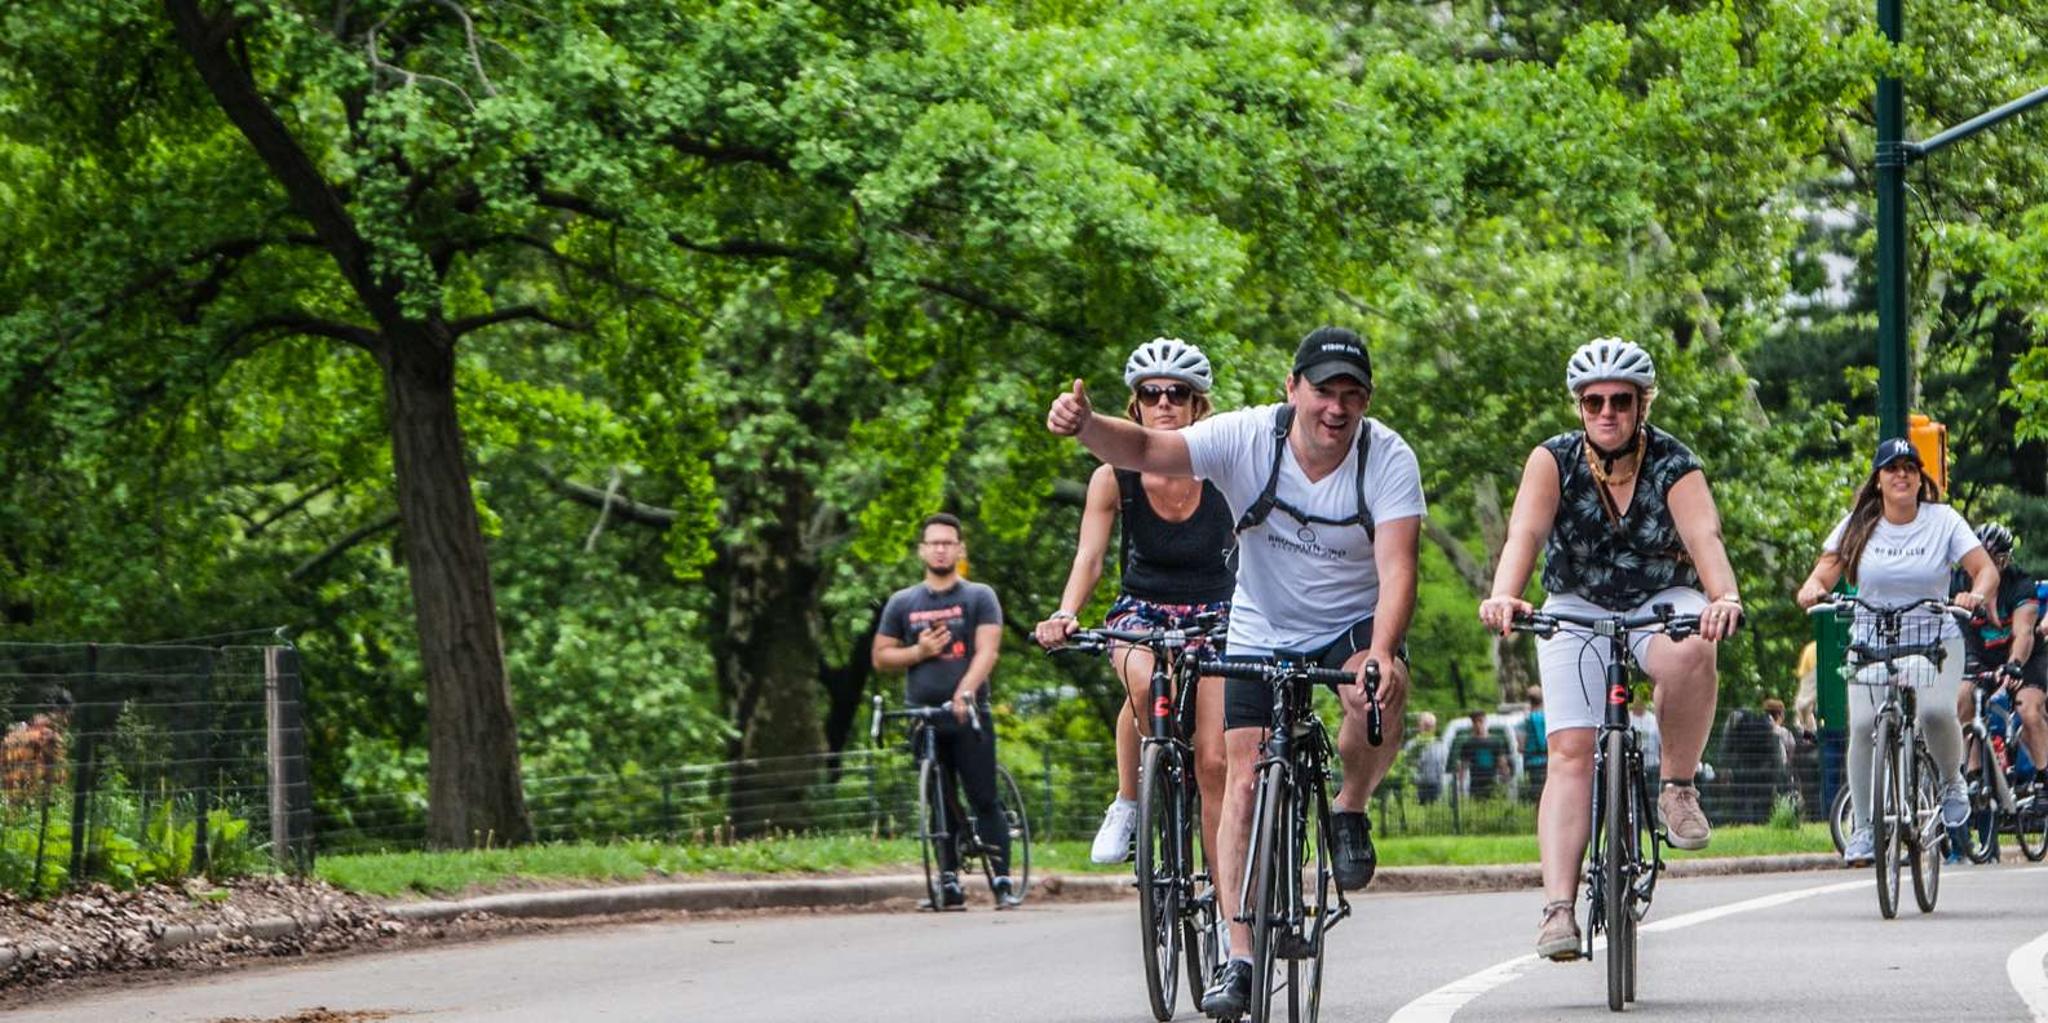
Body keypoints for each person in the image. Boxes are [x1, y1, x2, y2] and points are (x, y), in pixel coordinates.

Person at [1048, 325, 1425, 1017]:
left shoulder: (1387, 458)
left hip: (1350, 623)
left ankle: (1350, 807)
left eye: (1351, 395)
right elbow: (1143, 448)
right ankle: (1241, 955)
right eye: (1322, 392)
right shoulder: (1248, 437)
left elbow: (1399, 565)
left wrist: (1381, 650)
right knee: (1240, 773)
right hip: (1260, 623)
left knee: (1376, 703)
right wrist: (1085, 426)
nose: (1335, 409)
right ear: (1292, 389)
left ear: (1366, 401)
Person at [1476, 337, 1742, 960]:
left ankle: (1677, 785)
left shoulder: (1675, 463)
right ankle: (1558, 911)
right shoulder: (1554, 460)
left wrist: (1723, 596)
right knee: (1570, 750)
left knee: (1694, 648)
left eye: (1621, 401)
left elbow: (1705, 538)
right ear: (1579, 406)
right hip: (1577, 605)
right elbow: (1525, 533)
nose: (1607, 412)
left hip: (1661, 600)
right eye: (1594, 401)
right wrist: (1504, 595)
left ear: (1642, 403)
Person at [1034, 337, 1235, 867]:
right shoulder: (1112, 477)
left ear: (1197, 404)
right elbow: (1090, 558)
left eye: (1177, 392)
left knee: (1215, 762)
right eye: (1151, 394)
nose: (1164, 403)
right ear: (1136, 405)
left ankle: (1223, 904)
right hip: (1141, 611)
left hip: (1218, 615)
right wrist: (1065, 612)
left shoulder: (1226, 471)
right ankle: (1131, 798)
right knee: (1144, 683)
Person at [1795, 437, 1999, 867]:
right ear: (1879, 479)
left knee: (1935, 713)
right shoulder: (1859, 523)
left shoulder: (1942, 520)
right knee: (1865, 725)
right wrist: (1813, 589)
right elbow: (1825, 571)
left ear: (1921, 477)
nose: (1901, 474)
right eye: (1892, 468)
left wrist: (1975, 596)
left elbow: (1985, 570)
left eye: (1910, 467)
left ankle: (1950, 782)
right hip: (1872, 640)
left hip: (1933, 639)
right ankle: (1866, 829)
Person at [872, 513, 1020, 909]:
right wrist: (918, 652)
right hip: (923, 715)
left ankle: (1002, 879)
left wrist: (965, 692)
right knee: (939, 797)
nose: (940, 549)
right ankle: (948, 880)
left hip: (968, 713)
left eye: (947, 542)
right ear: (922, 550)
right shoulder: (903, 603)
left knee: (983, 795)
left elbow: (988, 649)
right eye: (933, 543)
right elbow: (881, 655)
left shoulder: (978, 597)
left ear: (959, 549)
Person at [1951, 523, 2045, 790]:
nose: (1990, 566)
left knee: (2029, 709)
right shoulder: (1959, 582)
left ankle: (2043, 776)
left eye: (1997, 560)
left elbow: (2024, 633)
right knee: (1962, 699)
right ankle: (1973, 774)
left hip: (2024, 658)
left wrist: (2014, 665)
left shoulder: (2020, 584)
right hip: (1980, 657)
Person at [1452, 709, 1511, 800]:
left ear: (1485, 721)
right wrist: (1460, 787)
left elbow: (1502, 763)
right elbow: (1463, 767)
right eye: (1475, 721)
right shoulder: (1468, 744)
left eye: (1480, 721)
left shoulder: (1495, 742)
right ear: (1472, 723)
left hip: (1492, 781)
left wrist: (1506, 781)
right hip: (1476, 783)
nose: (1478, 724)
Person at [1406, 711, 1446, 804]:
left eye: (1430, 725)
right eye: (1425, 725)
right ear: (1418, 726)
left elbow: (1442, 767)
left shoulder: (1440, 745)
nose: (1428, 728)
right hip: (1416, 787)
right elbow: (1409, 767)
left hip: (1436, 786)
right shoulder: (1411, 745)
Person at [1520, 686, 1549, 798]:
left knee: (1538, 796)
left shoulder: (1530, 718)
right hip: (1543, 761)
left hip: (1533, 762)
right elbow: (1542, 741)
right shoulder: (1542, 717)